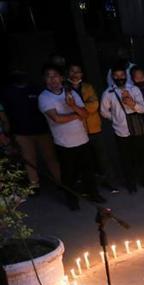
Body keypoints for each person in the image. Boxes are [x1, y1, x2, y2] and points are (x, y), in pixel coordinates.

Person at [38, 65, 104, 209]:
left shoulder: (71, 93)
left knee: (88, 170)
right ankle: (72, 200)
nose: (53, 79)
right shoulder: (44, 97)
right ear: (44, 80)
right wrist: (76, 115)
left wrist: (73, 106)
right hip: (64, 143)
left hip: (82, 139)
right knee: (69, 174)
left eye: (55, 75)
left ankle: (93, 193)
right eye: (48, 76)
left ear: (61, 78)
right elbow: (56, 119)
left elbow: (85, 114)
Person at [0, 70, 61, 194]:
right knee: (29, 159)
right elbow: (4, 113)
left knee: (50, 158)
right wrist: (8, 131)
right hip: (21, 132)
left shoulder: (36, 88)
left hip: (42, 129)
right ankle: (34, 186)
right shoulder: (7, 92)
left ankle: (60, 182)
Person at [67, 63, 120, 193]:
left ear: (82, 74)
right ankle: (88, 187)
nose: (75, 75)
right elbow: (66, 108)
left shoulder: (87, 87)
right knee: (84, 161)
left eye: (78, 72)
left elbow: (94, 105)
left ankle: (110, 182)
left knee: (103, 158)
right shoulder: (65, 89)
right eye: (72, 72)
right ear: (67, 73)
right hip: (77, 131)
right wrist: (82, 108)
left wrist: (77, 108)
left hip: (95, 128)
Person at [100, 65, 144, 193]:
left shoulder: (134, 89)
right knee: (126, 159)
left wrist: (131, 103)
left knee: (142, 156)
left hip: (137, 128)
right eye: (116, 76)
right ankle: (131, 184)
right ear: (112, 77)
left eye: (122, 75)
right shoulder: (108, 93)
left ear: (126, 76)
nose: (119, 78)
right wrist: (115, 118)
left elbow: (142, 109)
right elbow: (103, 111)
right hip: (121, 130)